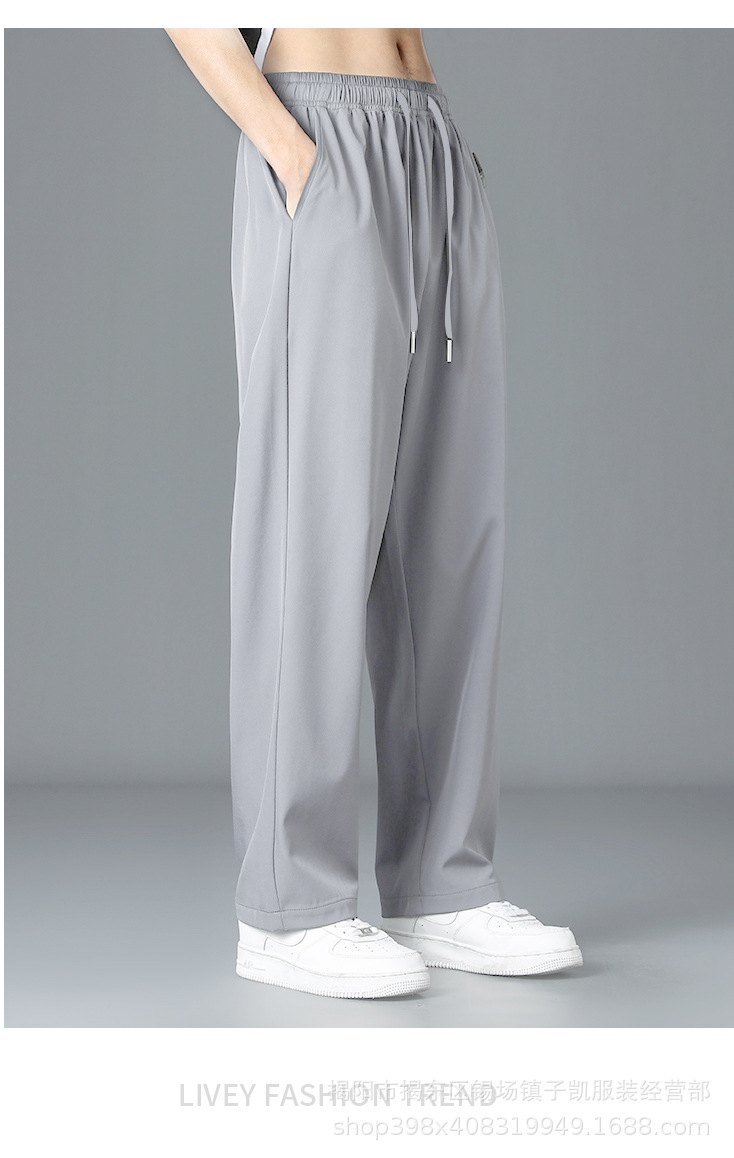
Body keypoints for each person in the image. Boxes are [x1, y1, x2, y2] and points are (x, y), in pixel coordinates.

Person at [164, 27, 583, 999]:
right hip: (319, 131)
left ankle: (444, 882)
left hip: (430, 143)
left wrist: (442, 158)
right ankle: (289, 904)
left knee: (449, 539)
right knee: (308, 531)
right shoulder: (303, 145)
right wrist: (291, 152)